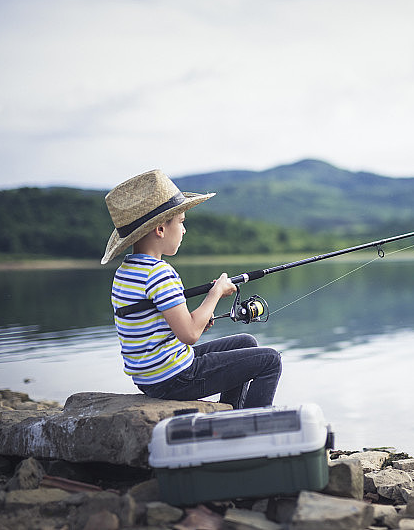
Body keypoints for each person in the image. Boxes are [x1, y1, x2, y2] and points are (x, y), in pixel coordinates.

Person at [101, 169, 281, 408]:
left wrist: (199, 318)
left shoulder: (125, 272)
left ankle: (232, 413)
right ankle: (253, 427)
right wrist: (215, 293)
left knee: (246, 343)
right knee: (270, 360)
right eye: (181, 222)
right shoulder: (160, 273)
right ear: (160, 229)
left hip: (150, 375)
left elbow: (161, 327)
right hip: (174, 377)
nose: (184, 230)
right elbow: (189, 335)